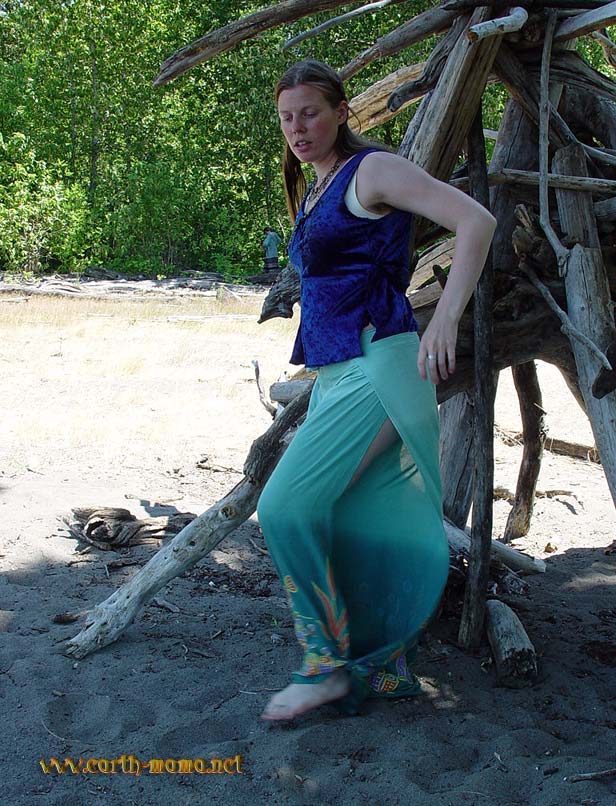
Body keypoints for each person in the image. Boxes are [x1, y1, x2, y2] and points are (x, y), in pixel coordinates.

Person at [256, 59, 496, 722]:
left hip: (379, 366)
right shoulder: (315, 188)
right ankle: (378, 664)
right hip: (340, 373)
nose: (298, 128)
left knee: (283, 507)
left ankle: (323, 666)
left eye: (310, 113)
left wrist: (445, 316)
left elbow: (476, 221)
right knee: (345, 510)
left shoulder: (372, 171)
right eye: (286, 117)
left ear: (340, 112)